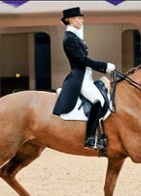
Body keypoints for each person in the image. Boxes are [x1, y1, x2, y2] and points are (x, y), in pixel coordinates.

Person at [53, 7, 116, 149]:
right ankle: (89, 138)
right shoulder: (69, 39)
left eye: (81, 18)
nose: (82, 20)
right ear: (70, 20)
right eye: (79, 18)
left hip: (87, 77)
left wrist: (102, 68)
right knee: (98, 100)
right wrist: (104, 66)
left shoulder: (75, 37)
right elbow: (82, 60)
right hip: (79, 78)